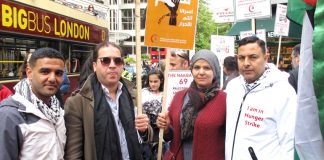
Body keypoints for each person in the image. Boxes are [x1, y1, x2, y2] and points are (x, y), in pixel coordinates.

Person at [64, 41, 152, 160]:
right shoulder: (77, 102)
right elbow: (74, 154)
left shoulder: (133, 95)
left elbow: (145, 134)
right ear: (95, 66)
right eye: (105, 60)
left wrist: (144, 130)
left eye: (117, 60)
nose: (112, 65)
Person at [225, 36, 297, 160]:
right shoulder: (233, 87)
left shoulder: (283, 91)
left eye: (253, 57)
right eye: (241, 58)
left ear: (266, 58)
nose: (246, 63)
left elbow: (289, 143)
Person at [157, 49, 226, 160]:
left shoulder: (225, 100)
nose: (201, 72)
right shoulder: (179, 96)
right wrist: (165, 128)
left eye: (207, 68)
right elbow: (170, 136)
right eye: (197, 67)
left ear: (215, 71)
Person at [0, 47, 66, 159]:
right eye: (45, 71)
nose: (52, 78)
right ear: (29, 73)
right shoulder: (9, 115)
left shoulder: (58, 110)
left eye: (58, 73)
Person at [141, 69, 164, 159]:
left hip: (160, 133)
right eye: (151, 81)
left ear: (161, 81)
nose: (153, 84)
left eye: (155, 81)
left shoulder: (164, 94)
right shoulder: (143, 92)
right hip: (146, 132)